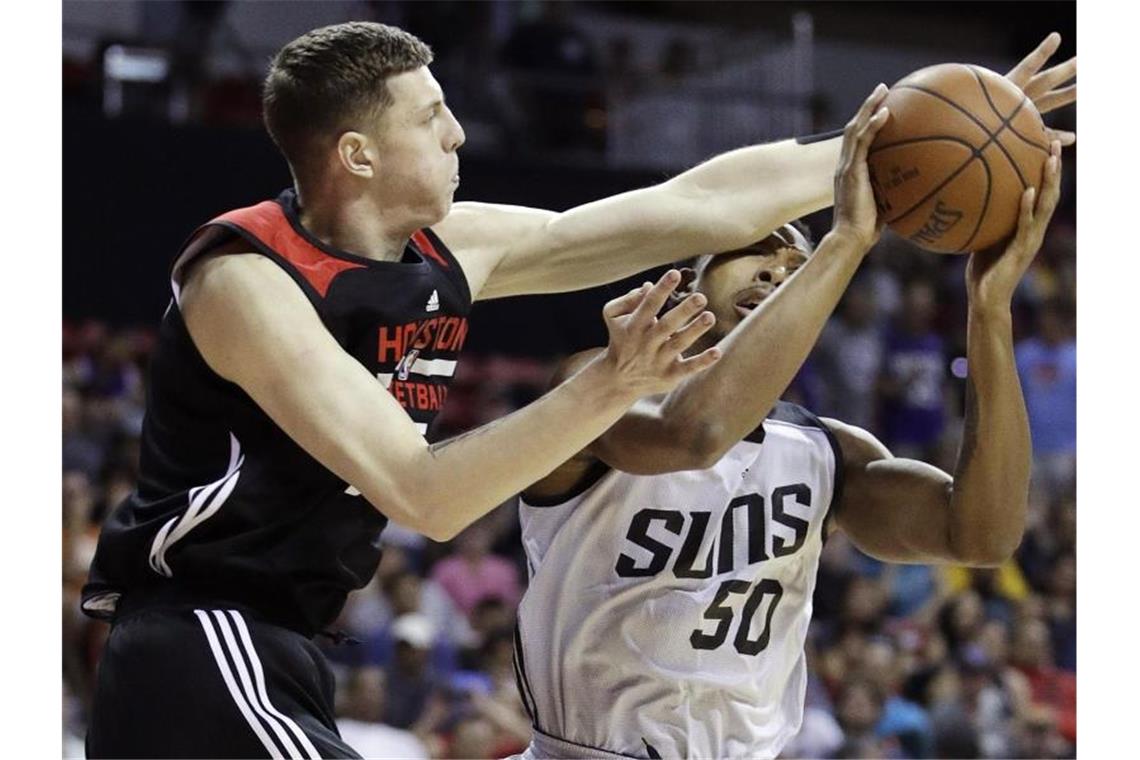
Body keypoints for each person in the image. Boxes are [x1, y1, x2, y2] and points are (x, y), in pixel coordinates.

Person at [77, 19, 1074, 758]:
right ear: (359, 154)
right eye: (434, 119)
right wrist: (611, 381)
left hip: (284, 643)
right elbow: (424, 496)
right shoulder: (246, 279)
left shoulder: (448, 246)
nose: (462, 134)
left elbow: (691, 204)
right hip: (201, 630)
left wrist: (895, 143)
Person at [515, 71, 1069, 758]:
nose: (779, 270)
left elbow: (983, 536)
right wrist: (842, 242)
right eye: (755, 249)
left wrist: (989, 309)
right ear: (688, 281)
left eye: (795, 263)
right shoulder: (595, 388)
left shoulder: (828, 454)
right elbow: (694, 434)